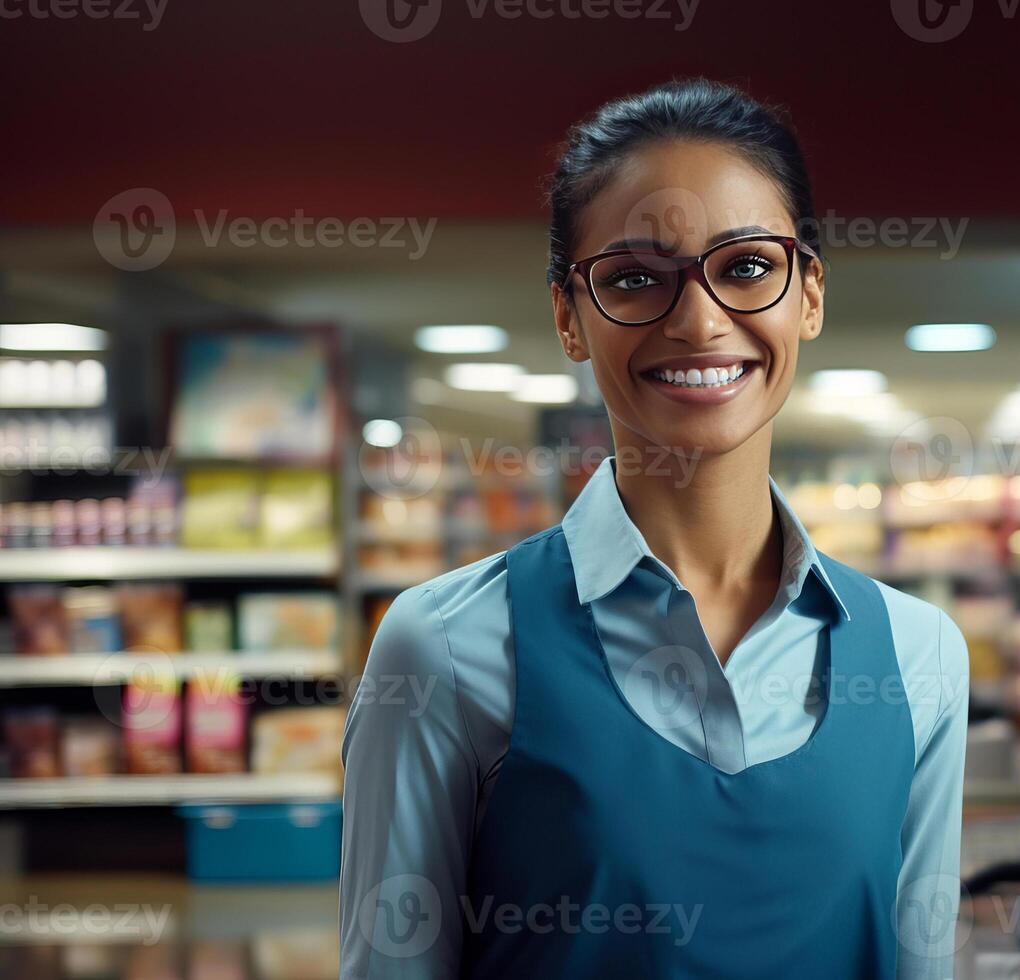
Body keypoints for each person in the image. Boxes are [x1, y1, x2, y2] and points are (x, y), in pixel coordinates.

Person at [339, 78, 969, 979]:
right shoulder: (445, 646)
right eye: (635, 278)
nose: (700, 320)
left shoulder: (919, 656)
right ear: (568, 314)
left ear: (810, 294)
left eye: (747, 266)